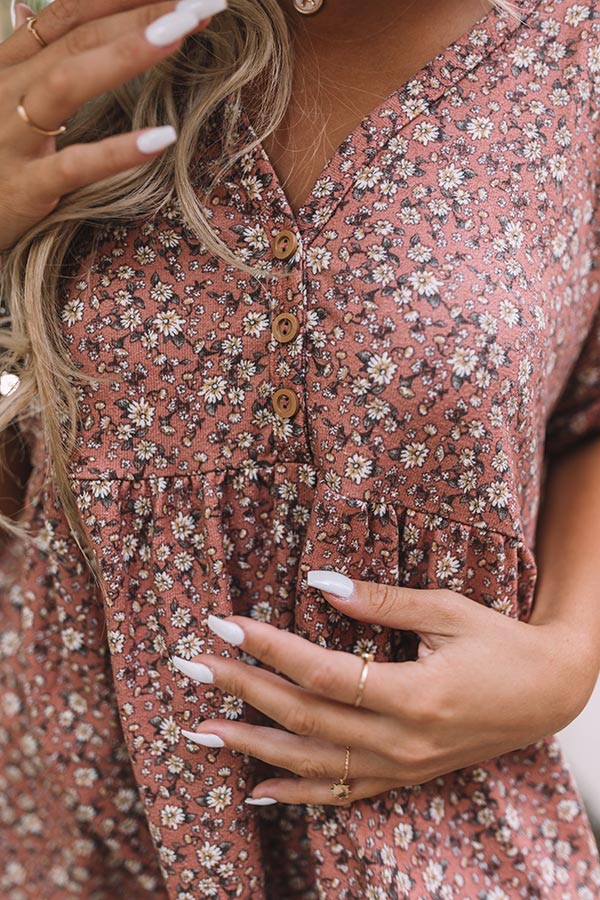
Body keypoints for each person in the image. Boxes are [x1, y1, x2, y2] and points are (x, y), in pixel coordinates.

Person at [1, 0, 599, 896]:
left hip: (428, 843)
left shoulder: (574, 57)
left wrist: (568, 657)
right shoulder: (62, 33)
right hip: (72, 826)